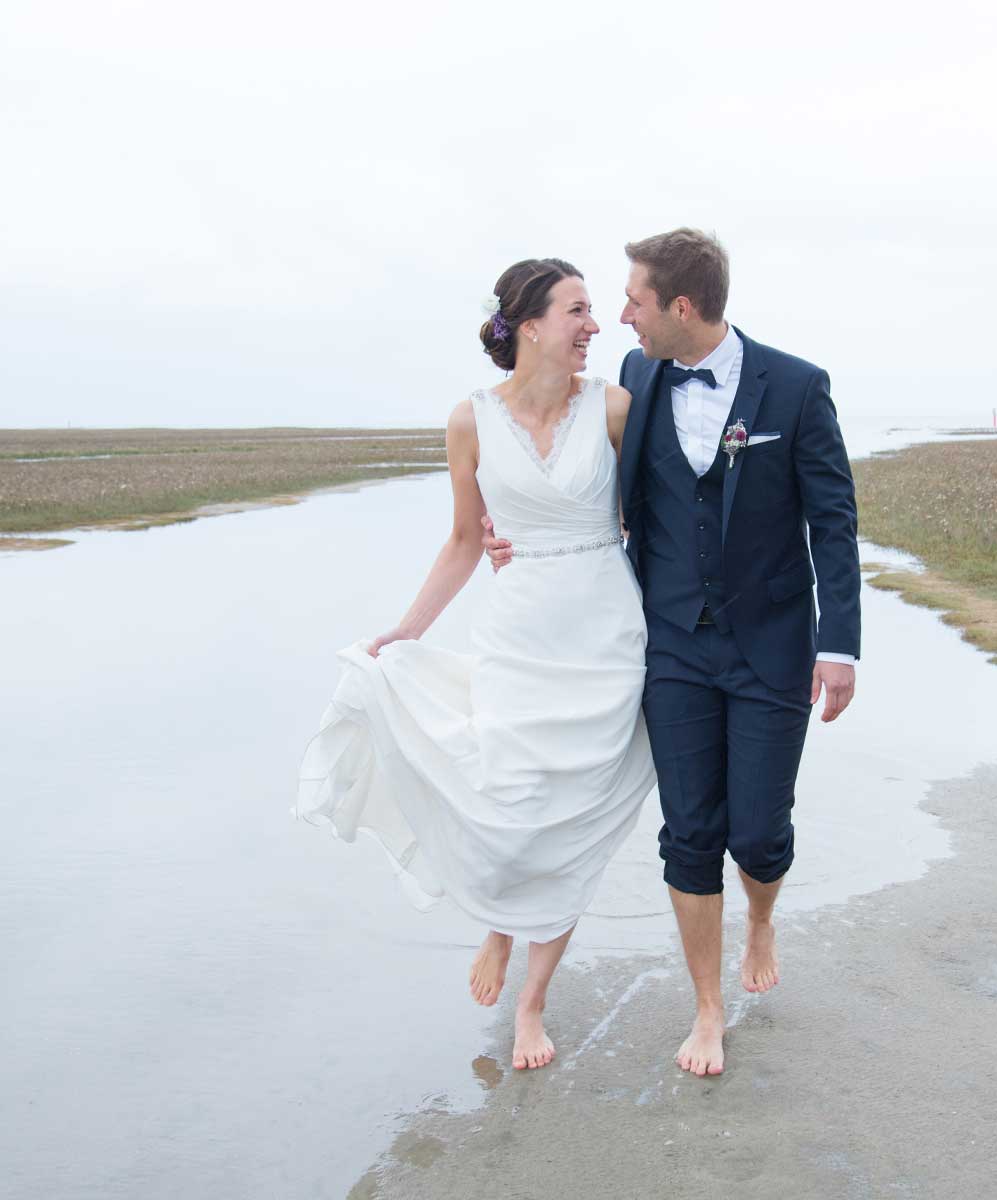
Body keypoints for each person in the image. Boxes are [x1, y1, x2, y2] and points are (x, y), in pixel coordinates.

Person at [484, 229, 861, 1077]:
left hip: (772, 644)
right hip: (671, 649)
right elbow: (579, 481)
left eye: (636, 301)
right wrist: (507, 535)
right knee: (689, 834)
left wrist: (839, 645)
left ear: (681, 307)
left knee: (758, 835)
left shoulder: (797, 389)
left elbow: (833, 522)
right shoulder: (638, 381)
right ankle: (707, 1008)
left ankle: (760, 915)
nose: (622, 316)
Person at [297, 258, 656, 1071]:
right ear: (530, 323)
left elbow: (655, 521)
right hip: (519, 636)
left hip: (605, 638)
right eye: (577, 310)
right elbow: (465, 540)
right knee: (510, 803)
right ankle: (499, 922)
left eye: (596, 311)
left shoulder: (615, 407)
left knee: (571, 819)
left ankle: (531, 1004)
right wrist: (405, 630)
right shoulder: (469, 421)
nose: (593, 326)